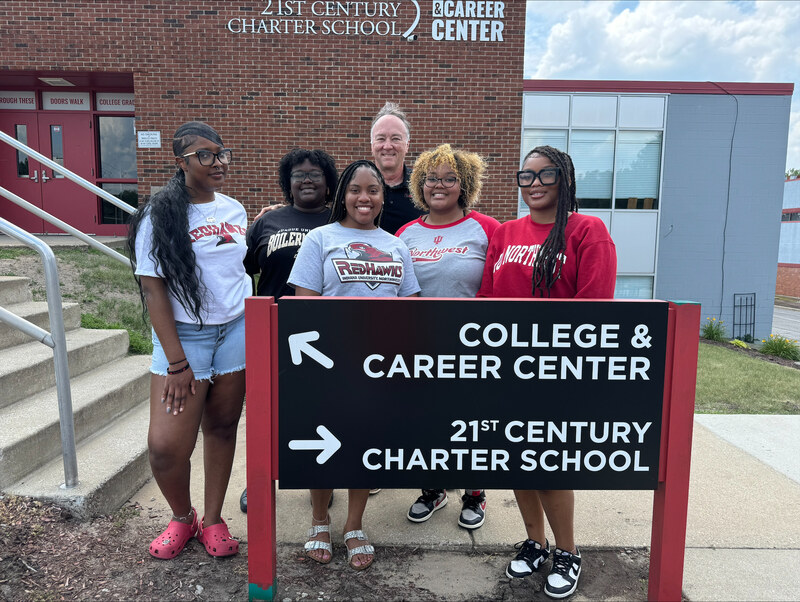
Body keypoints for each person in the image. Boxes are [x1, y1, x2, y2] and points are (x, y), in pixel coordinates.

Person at [477, 145, 617, 598]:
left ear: (566, 179)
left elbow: (593, 313)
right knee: (517, 460)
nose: (535, 184)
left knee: (551, 465)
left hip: (557, 373)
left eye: (546, 175)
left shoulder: (587, 230)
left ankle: (568, 551)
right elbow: (484, 303)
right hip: (504, 372)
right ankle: (535, 542)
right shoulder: (505, 232)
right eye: (527, 176)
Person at [288, 159, 421, 570]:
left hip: (380, 367)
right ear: (342, 194)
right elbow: (303, 305)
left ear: (384, 197)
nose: (364, 198)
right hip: (328, 363)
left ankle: (355, 524)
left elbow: (411, 306)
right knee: (323, 446)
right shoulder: (320, 239)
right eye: (356, 190)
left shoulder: (397, 244)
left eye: (374, 190)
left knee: (366, 446)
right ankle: (318, 520)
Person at [127, 122, 250, 559]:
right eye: (204, 155)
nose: (217, 162)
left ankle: (214, 519)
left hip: (236, 330)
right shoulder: (159, 215)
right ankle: (183, 516)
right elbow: (152, 288)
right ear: (180, 162)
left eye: (221, 153)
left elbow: (237, 269)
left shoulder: (235, 210)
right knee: (165, 447)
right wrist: (177, 363)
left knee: (221, 426)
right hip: (184, 339)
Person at [396, 143, 499, 530]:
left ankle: (475, 493)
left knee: (470, 424)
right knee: (426, 421)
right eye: (431, 178)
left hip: (473, 346)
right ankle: (432, 488)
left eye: (449, 178)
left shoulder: (487, 229)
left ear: (465, 184)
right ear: (420, 185)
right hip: (420, 347)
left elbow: (496, 286)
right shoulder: (405, 233)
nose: (439, 185)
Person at [237, 149, 338, 514]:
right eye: (298, 174)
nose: (307, 179)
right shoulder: (268, 222)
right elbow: (244, 270)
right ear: (287, 182)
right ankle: (261, 479)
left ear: (330, 183)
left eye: (315, 174)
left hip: (325, 334)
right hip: (273, 330)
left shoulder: (339, 221)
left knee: (320, 409)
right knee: (267, 410)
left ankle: (322, 479)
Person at [370, 101, 424, 235]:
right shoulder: (355, 188)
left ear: (407, 145)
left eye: (395, 139)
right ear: (372, 145)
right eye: (381, 139)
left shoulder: (424, 187)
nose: (387, 146)